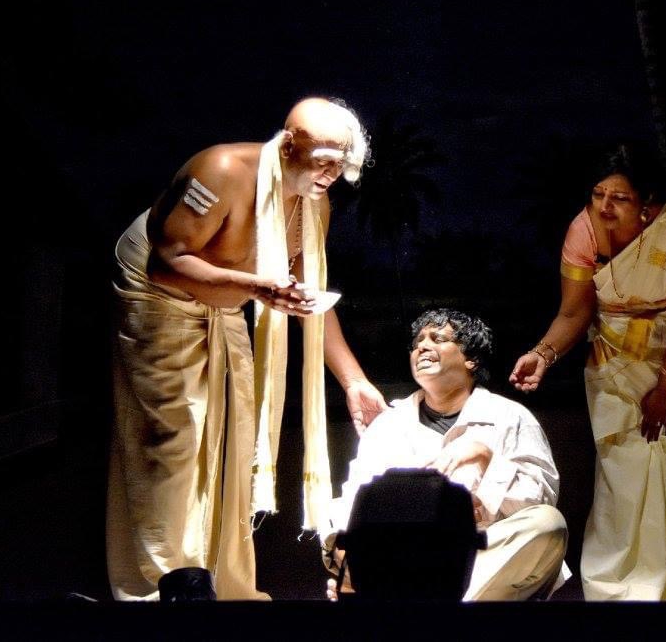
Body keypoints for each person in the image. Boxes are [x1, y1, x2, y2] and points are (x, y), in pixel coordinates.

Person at [107, 97, 388, 600]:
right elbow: (167, 263)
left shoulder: (315, 203)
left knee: (237, 439)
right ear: (289, 143)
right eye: (324, 160)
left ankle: (226, 585)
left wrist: (354, 382)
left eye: (341, 164)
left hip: (229, 297)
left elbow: (310, 294)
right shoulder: (219, 170)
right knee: (174, 438)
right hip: (158, 294)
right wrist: (257, 288)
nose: (332, 174)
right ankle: (167, 587)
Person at [509, 143, 666, 601]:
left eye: (619, 198)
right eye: (598, 194)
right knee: (622, 477)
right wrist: (543, 354)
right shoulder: (583, 231)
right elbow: (574, 312)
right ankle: (621, 592)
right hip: (614, 362)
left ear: (647, 202)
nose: (605, 206)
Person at [323, 308, 569, 601]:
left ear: (470, 359)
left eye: (437, 339)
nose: (422, 347)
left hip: (483, 556)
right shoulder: (388, 424)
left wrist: (487, 460)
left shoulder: (510, 416)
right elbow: (355, 503)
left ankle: (417, 605)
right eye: (417, 342)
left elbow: (540, 500)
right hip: (402, 559)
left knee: (548, 524)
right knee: (332, 518)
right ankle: (415, 599)